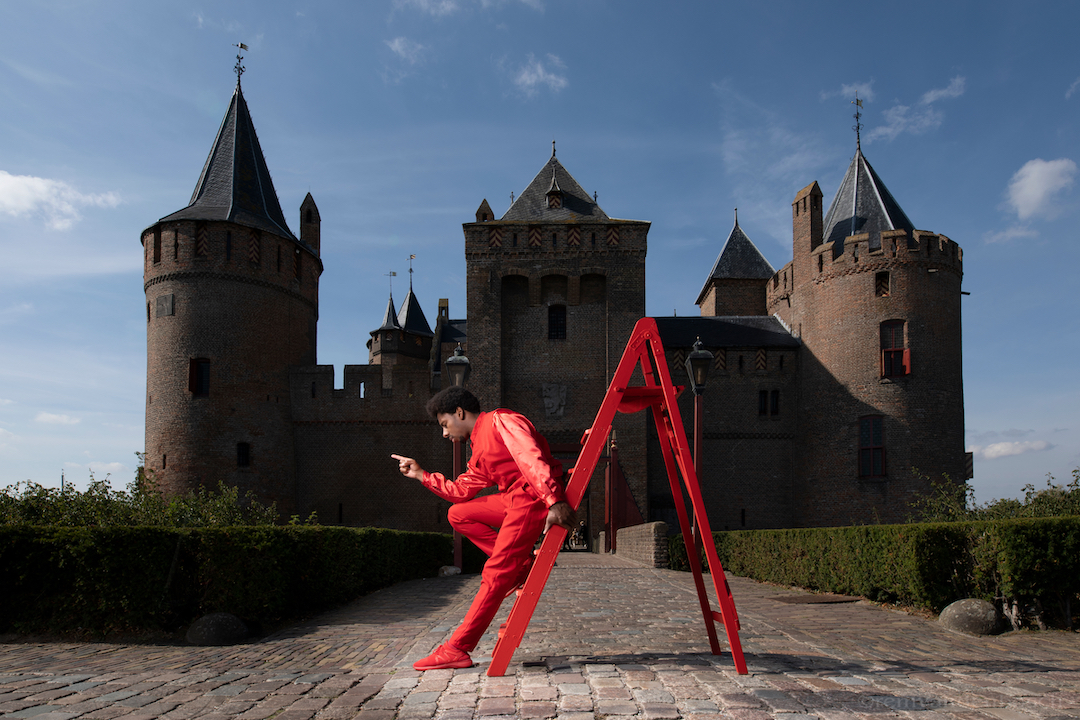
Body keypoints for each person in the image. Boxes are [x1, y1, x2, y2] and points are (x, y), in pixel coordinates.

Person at [392, 386, 576, 671]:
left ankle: (457, 648)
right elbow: (460, 491)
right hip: (513, 499)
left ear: (459, 413)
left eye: (445, 424)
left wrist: (554, 500)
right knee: (458, 514)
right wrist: (421, 475)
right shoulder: (478, 447)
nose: (444, 433)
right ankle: (519, 566)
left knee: (495, 573)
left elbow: (529, 456)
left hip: (531, 498)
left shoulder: (501, 420)